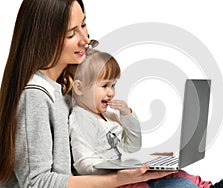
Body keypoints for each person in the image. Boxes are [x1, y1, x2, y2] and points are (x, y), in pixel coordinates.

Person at [0, 0, 181, 187]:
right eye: (71, 33)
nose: (85, 40)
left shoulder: (65, 88)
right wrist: (116, 179)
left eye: (84, 25)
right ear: (44, 39)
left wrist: (138, 163)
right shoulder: (35, 96)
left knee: (177, 177)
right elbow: (35, 183)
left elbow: (90, 151)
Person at [69, 49, 223, 188]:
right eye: (105, 85)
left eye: (113, 85)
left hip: (125, 171)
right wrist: (116, 169)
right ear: (79, 88)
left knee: (176, 172)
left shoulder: (109, 115)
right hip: (113, 181)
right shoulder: (80, 117)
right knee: (169, 184)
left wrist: (127, 115)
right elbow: (82, 164)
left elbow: (132, 145)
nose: (111, 92)